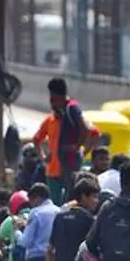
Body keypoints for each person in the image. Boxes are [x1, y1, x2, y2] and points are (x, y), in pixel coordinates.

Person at [30, 77, 99, 205]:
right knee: (56, 205)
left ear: (59, 97)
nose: (52, 104)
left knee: (70, 203)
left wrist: (80, 150)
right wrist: (43, 157)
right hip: (53, 172)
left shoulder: (72, 113)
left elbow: (93, 133)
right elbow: (36, 139)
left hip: (69, 168)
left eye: (53, 100)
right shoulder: (50, 120)